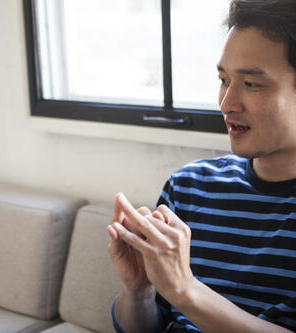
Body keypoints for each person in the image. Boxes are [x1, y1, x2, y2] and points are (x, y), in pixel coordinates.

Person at [107, 0, 296, 332]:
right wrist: (139, 293)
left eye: (251, 84)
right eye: (223, 80)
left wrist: (186, 290)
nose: (226, 104)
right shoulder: (188, 186)